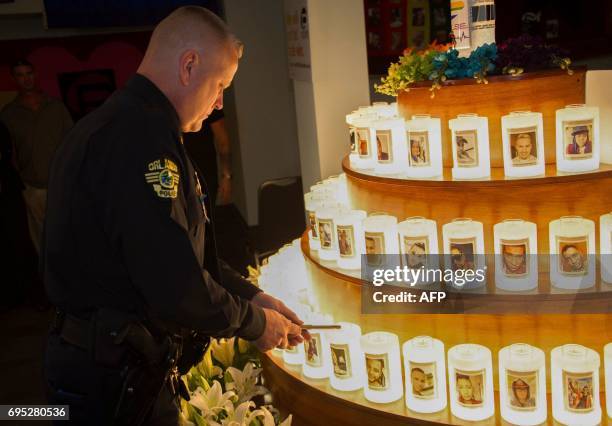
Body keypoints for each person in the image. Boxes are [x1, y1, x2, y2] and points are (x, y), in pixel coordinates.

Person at [42, 7, 306, 425]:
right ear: (188, 65)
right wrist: (254, 323)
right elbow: (173, 282)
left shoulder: (131, 125)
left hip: (102, 361)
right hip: (108, 378)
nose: (220, 102)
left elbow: (182, 252)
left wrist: (251, 295)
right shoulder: (140, 141)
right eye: (220, 85)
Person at [0, 59, 73, 254]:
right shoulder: (8, 114)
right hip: (32, 187)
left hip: (61, 183)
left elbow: (72, 143)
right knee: (42, 238)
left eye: (29, 73)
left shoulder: (56, 107)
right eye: (20, 75)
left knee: (69, 231)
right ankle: (49, 279)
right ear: (14, 78)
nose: (26, 79)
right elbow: (9, 151)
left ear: (36, 74)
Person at [182, 109, 232, 207]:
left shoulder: (209, 103)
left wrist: (226, 176)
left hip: (204, 174)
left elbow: (223, 141)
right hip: (181, 173)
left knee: (205, 213)